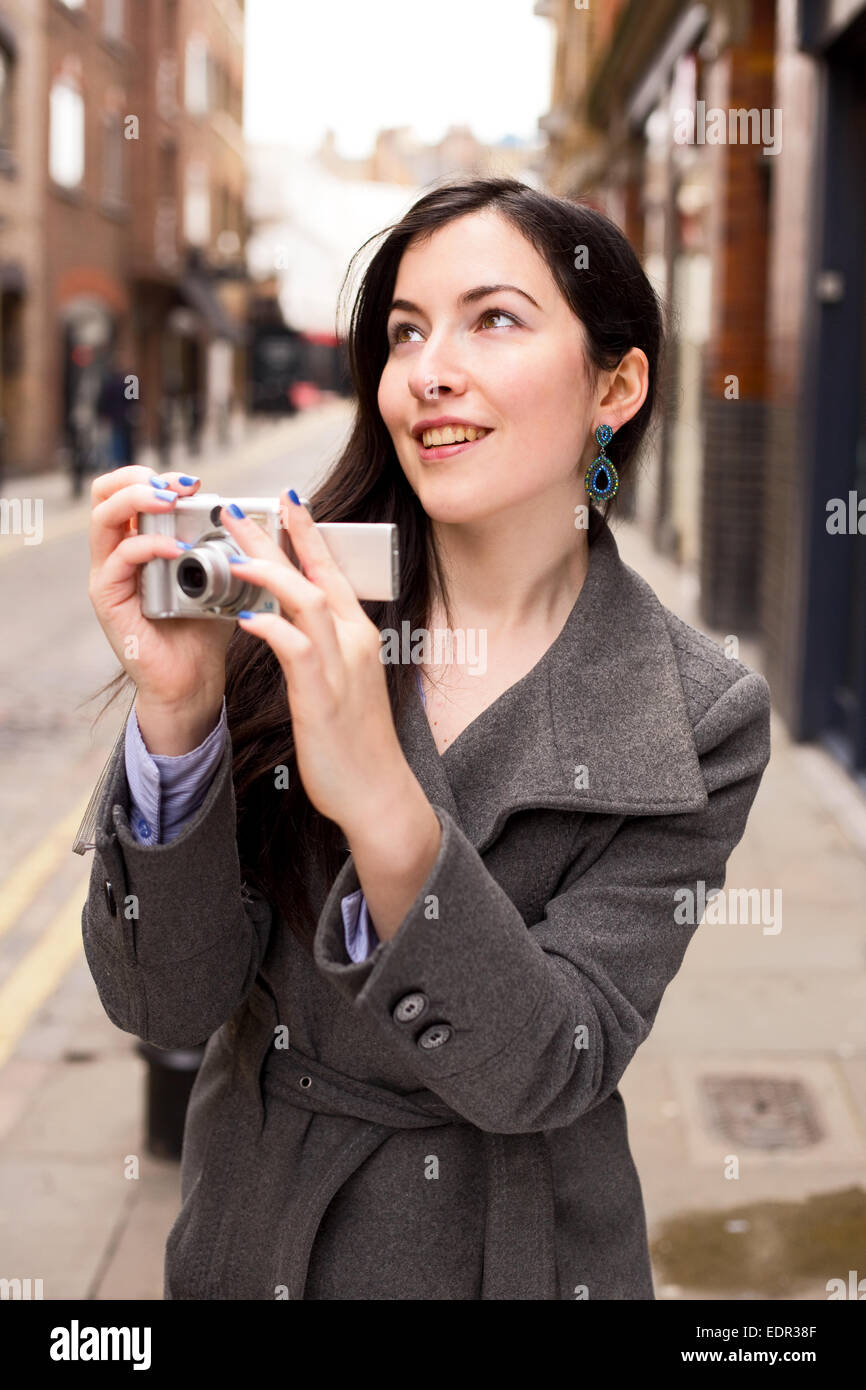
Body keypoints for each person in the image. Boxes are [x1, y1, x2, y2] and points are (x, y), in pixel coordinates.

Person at [81, 177, 771, 1300]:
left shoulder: (698, 716)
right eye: (406, 331)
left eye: (493, 318)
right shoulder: (289, 606)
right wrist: (178, 715)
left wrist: (385, 807)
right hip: (257, 1237)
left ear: (617, 383)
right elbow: (161, 1005)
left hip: (513, 1253)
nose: (427, 370)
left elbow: (556, 1063)